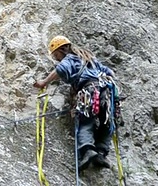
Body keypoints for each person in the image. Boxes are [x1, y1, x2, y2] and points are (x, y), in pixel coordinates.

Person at [33, 35, 116, 170]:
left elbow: (60, 70)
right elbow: (110, 72)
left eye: (56, 56)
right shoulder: (89, 58)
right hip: (107, 92)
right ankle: (101, 153)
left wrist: (44, 82)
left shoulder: (70, 58)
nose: (56, 59)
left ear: (61, 50)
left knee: (85, 121)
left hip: (89, 90)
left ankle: (88, 150)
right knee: (107, 122)